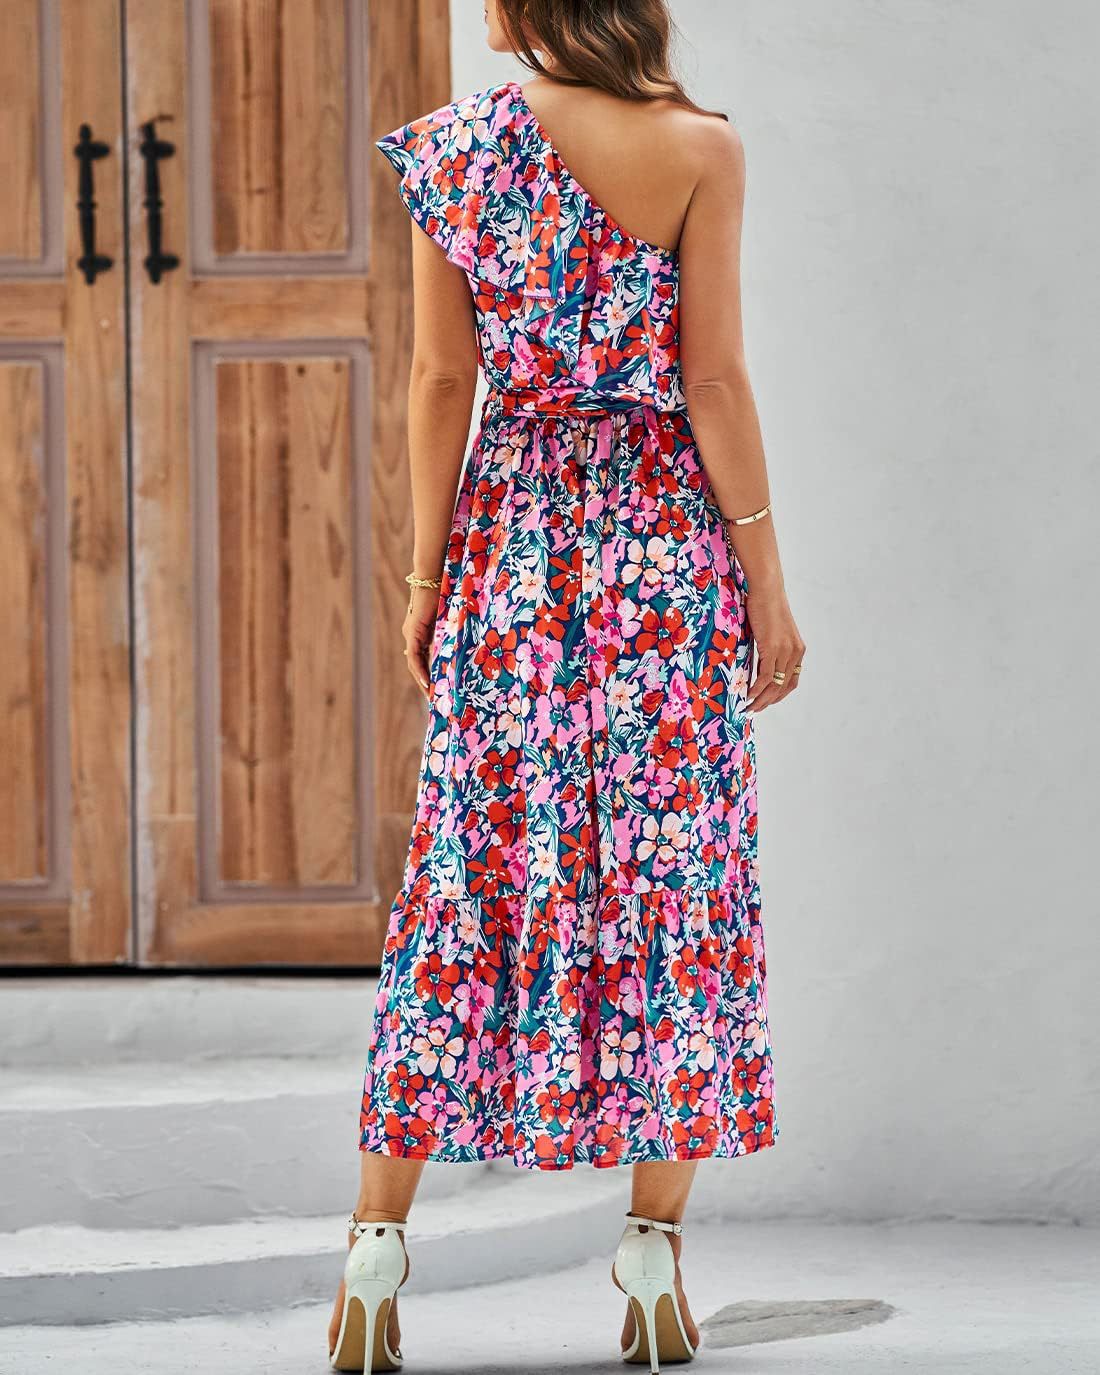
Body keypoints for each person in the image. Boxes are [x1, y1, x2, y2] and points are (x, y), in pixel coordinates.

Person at [329, 1, 805, 1369]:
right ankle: (652, 1259)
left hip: (514, 552)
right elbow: (710, 378)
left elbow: (439, 380)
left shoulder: (458, 151)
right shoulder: (699, 150)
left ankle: (373, 1250)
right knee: (675, 884)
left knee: (467, 877)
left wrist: (427, 584)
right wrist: (765, 580)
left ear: (526, 9)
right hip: (662, 553)